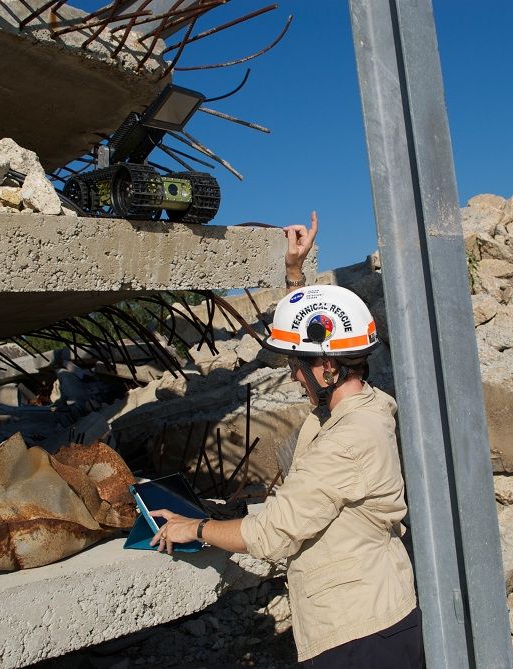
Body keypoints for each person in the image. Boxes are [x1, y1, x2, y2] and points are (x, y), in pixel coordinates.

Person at [150, 213, 422, 668]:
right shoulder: (365, 404)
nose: (292, 374)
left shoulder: (347, 439)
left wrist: (192, 528)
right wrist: (296, 274)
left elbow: (271, 534)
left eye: (298, 364)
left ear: (329, 368)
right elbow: (320, 332)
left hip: (359, 637)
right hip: (378, 613)